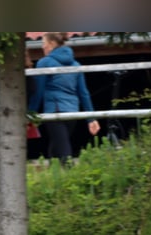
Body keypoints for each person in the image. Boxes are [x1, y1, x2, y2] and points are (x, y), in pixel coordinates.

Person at [27, 32, 100, 165]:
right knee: (57, 145)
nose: (42, 47)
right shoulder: (76, 64)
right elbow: (83, 93)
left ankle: (71, 176)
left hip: (55, 110)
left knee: (63, 150)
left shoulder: (45, 63)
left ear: (52, 44)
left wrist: (30, 114)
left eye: (43, 44)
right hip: (72, 111)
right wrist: (91, 117)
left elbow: (38, 92)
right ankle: (52, 176)